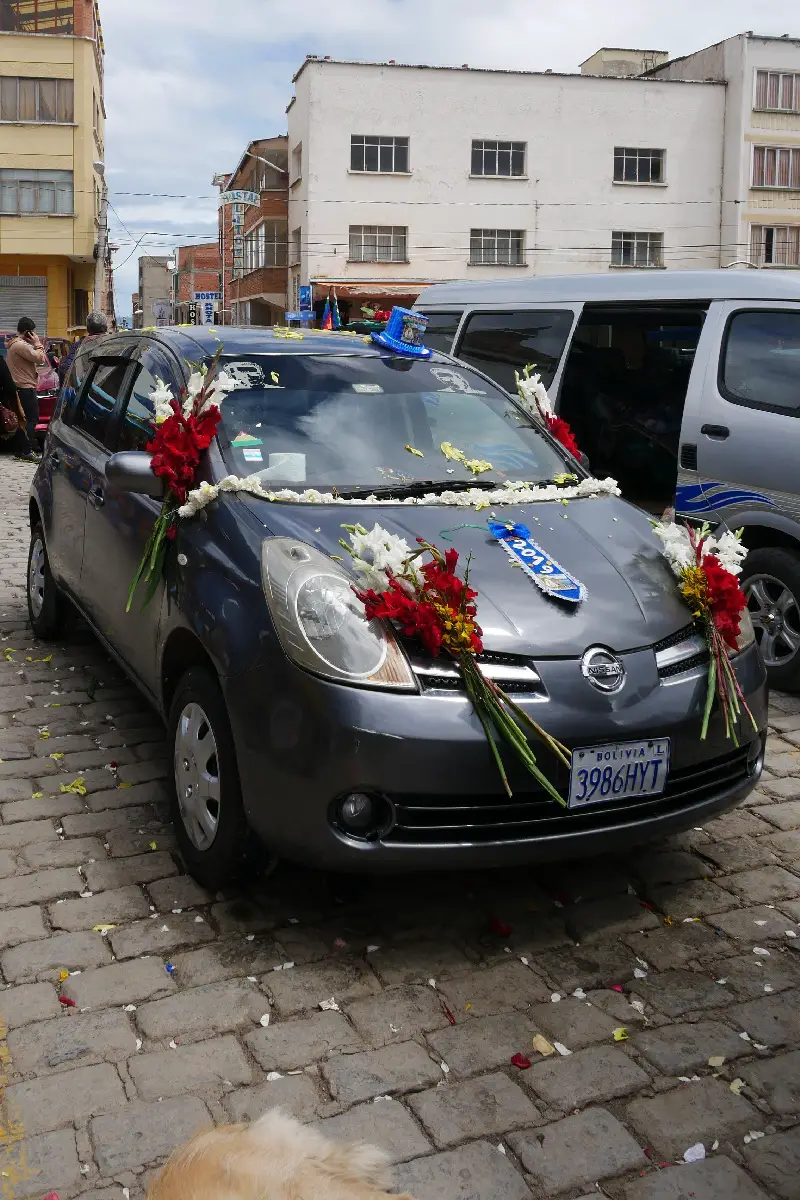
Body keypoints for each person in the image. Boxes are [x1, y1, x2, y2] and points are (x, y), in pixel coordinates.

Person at [6, 317, 46, 462]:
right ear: (28, 332)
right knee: (31, 418)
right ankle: (26, 451)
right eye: (32, 332)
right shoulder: (20, 345)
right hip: (25, 387)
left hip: (20, 387)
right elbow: (40, 358)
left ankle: (19, 450)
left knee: (23, 420)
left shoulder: (14, 345)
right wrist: (37, 344)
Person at [57, 310, 109, 385]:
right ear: (106, 328)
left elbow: (65, 369)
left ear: (87, 328)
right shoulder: (113, 344)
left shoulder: (78, 346)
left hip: (85, 391)